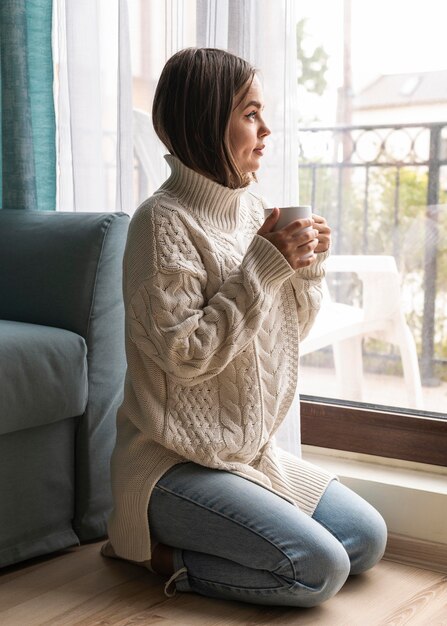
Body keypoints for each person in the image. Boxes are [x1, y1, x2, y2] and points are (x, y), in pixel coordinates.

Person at [101, 47, 387, 607]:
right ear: (209, 121)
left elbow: (286, 337)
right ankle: (145, 548)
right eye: (251, 114)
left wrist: (304, 270)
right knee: (318, 570)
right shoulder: (160, 223)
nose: (267, 129)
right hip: (171, 463)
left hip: (246, 456)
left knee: (365, 539)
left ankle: (230, 535)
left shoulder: (257, 213)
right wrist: (264, 266)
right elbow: (187, 355)